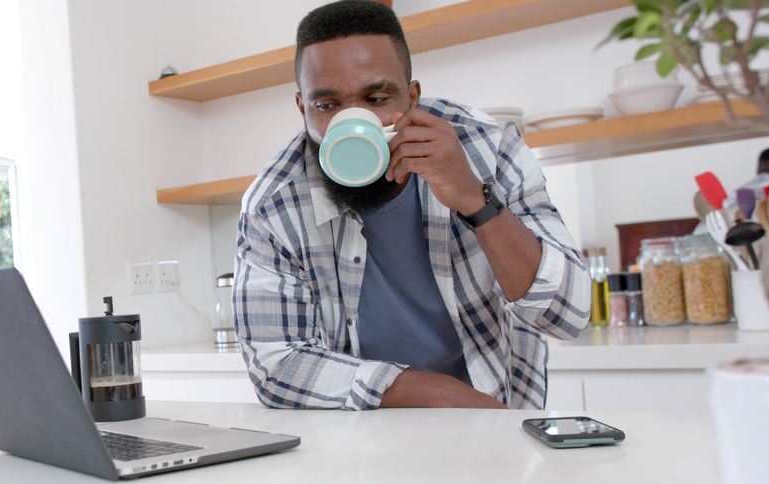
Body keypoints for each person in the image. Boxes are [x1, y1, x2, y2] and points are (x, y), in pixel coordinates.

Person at [232, 1, 591, 410]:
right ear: (302, 108)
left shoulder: (487, 150)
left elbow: (567, 316)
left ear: (413, 96)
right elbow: (276, 366)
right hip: (361, 438)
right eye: (327, 106)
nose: (354, 121)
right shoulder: (272, 204)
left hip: (499, 422)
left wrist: (477, 200)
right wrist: (440, 394)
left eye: (377, 97)